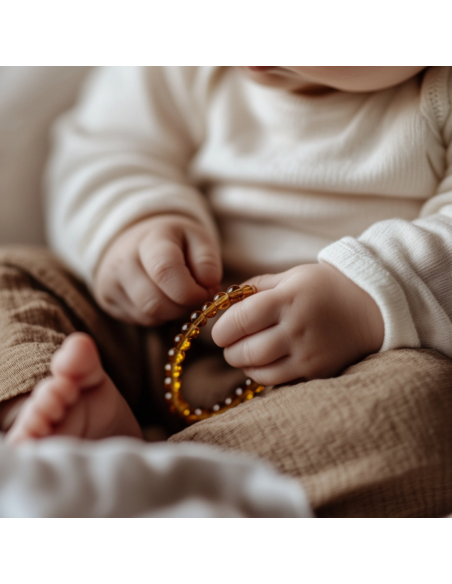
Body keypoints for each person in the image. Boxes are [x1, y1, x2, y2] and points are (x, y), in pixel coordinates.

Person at [1, 66, 452, 516]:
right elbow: (106, 148)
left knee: (423, 409)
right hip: (148, 332)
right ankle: (55, 417)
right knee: (12, 277)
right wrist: (132, 225)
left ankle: (166, 483)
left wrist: (365, 299)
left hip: (336, 382)